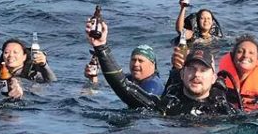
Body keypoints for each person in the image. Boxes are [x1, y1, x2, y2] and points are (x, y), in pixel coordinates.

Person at [86, 20, 236, 116]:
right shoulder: (166, 105)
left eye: (203, 70)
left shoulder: (224, 111)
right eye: (191, 68)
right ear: (182, 74)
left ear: (213, 78)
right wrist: (101, 47)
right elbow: (124, 87)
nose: (197, 74)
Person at [215, 35, 258, 112]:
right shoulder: (217, 79)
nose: (245, 55)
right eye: (240, 51)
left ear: (257, 61)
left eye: (251, 53)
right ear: (233, 57)